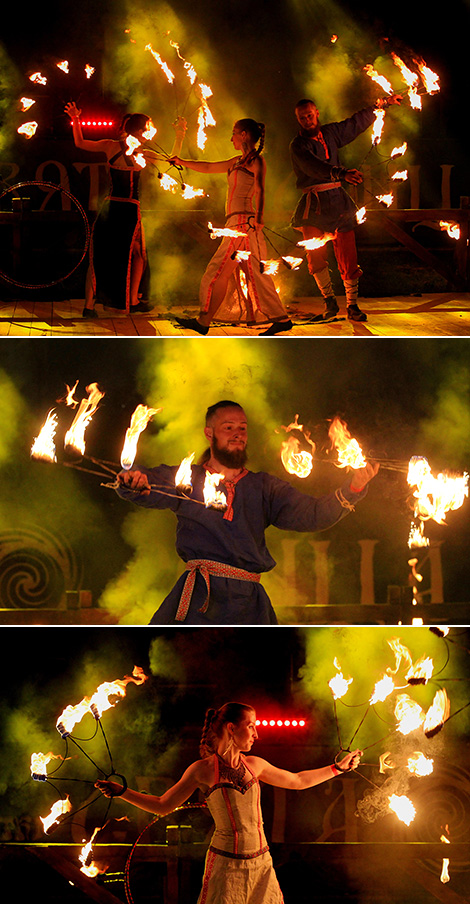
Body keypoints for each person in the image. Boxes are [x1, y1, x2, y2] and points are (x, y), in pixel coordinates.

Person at [115, 400, 379, 624]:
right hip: (199, 597)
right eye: (228, 428)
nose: (237, 434)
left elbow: (313, 514)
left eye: (242, 428)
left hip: (248, 603)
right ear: (209, 433)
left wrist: (354, 487)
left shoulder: (264, 487)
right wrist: (133, 483)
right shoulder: (188, 478)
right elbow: (148, 486)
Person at [95, 701, 362, 904]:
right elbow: (163, 804)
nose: (256, 734)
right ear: (231, 728)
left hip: (261, 864)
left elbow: (298, 781)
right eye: (251, 726)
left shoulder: (255, 765)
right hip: (225, 866)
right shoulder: (201, 770)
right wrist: (122, 792)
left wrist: (338, 768)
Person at [169, 119, 293, 336]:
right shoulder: (235, 162)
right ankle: (278, 318)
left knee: (218, 271)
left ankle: (204, 320)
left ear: (244, 135)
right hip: (235, 223)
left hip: (243, 224)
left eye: (234, 133)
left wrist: (260, 218)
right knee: (251, 273)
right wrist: (182, 161)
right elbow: (208, 166)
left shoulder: (256, 161)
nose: (231, 138)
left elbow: (261, 190)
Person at [64, 102, 187, 316]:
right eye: (148, 127)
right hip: (128, 209)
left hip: (110, 207)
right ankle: (127, 300)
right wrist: (180, 135)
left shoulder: (111, 146)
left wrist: (76, 119)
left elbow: (80, 142)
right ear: (139, 131)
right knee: (133, 252)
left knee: (106, 255)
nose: (150, 130)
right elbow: (172, 160)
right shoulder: (141, 153)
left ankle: (91, 306)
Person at [290, 95, 402, 323]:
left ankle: (352, 305)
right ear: (298, 120)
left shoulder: (331, 133)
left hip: (339, 202)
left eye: (310, 116)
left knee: (348, 255)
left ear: (317, 113)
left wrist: (382, 105)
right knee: (316, 255)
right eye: (302, 118)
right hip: (315, 204)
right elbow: (312, 166)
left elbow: (355, 123)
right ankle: (329, 301)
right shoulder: (298, 145)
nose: (307, 120)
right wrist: (340, 173)